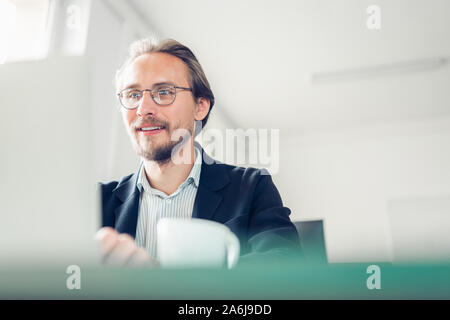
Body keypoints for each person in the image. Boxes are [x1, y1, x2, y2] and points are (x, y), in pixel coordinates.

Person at [96, 38, 300, 267]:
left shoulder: (251, 188)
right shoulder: (95, 203)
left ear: (200, 106)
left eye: (164, 92)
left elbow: (285, 266)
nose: (143, 109)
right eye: (133, 95)